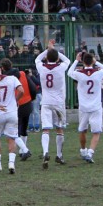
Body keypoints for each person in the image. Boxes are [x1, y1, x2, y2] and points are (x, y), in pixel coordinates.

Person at [68, 52, 103, 164]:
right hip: (96, 107)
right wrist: (97, 62)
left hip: (83, 107)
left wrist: (76, 60)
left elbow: (69, 72)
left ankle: (83, 150)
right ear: (92, 61)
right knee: (96, 132)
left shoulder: (79, 73)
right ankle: (90, 152)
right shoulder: (98, 73)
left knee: (82, 130)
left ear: (83, 61)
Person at [34, 39, 71, 169]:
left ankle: (45, 152)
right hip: (59, 102)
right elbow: (67, 60)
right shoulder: (61, 67)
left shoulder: (41, 67)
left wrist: (47, 49)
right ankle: (59, 155)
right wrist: (53, 50)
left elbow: (37, 59)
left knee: (46, 129)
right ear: (57, 59)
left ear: (46, 57)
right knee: (59, 129)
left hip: (46, 101)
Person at [0, 63, 28, 174]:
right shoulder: (12, 78)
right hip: (12, 112)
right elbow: (22, 91)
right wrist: (15, 100)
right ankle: (11, 164)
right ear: (0, 69)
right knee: (12, 138)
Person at [0, 58, 36, 159]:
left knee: (13, 131)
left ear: (2, 68)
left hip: (16, 105)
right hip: (28, 103)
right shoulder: (22, 74)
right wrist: (31, 98)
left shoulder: (6, 79)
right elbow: (32, 87)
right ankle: (22, 151)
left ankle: (25, 150)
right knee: (24, 128)